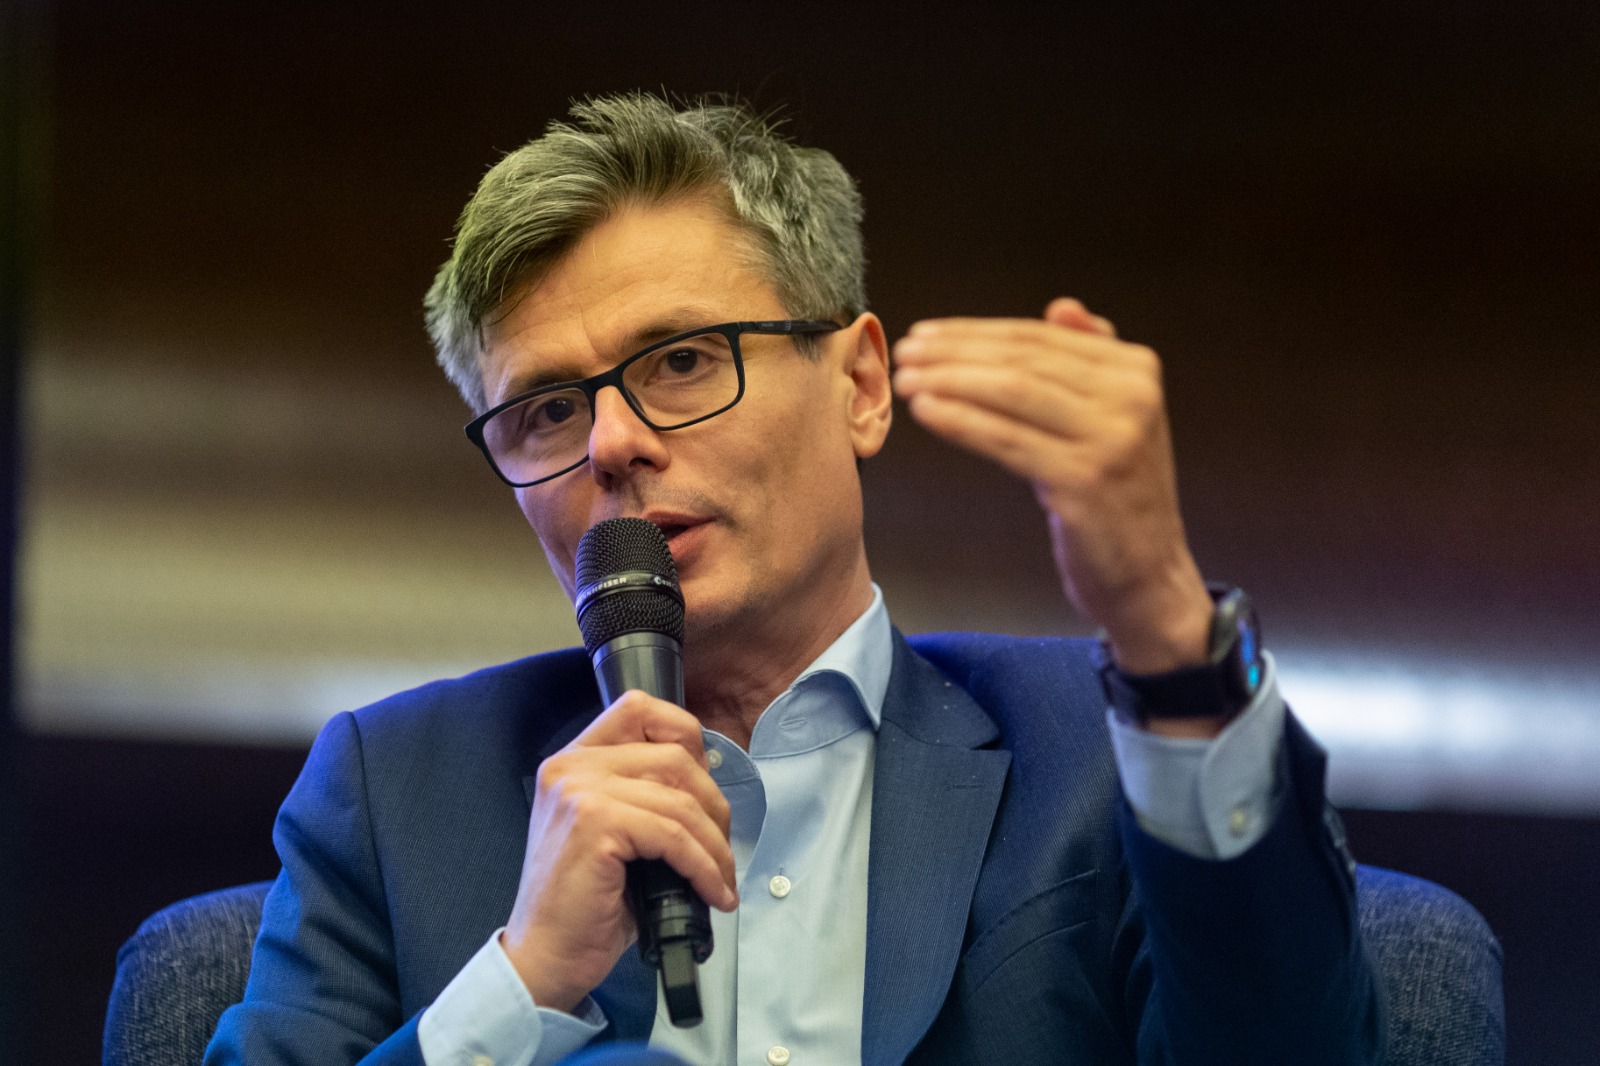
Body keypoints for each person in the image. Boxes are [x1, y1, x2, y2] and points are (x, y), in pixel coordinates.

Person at [206, 93, 1381, 1066]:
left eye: (680, 359)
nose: (612, 442)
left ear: (859, 385)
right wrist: (521, 984)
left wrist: (1166, 628)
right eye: (548, 410)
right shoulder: (394, 793)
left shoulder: (1100, 753)